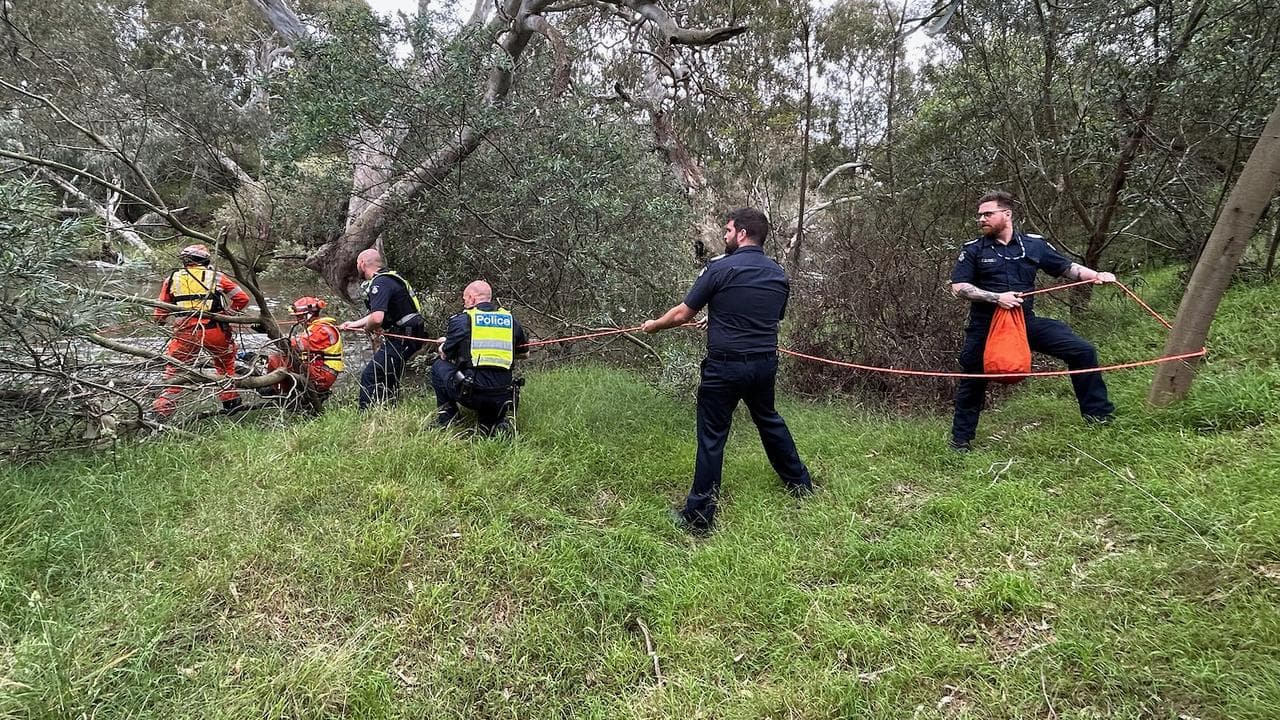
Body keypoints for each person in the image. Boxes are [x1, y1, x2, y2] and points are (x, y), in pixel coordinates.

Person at [642, 208, 813, 535]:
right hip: (764, 364)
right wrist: (719, 317)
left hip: (725, 366)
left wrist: (654, 326)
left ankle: (699, 516)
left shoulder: (720, 268)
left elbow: (681, 314)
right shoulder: (778, 274)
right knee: (768, 419)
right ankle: (800, 483)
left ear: (743, 233)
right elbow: (766, 316)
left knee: (712, 436)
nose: (724, 235)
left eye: (728, 230)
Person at [948, 190, 1117, 451]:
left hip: (1024, 322)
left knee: (1082, 351)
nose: (981, 219)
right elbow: (959, 287)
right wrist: (996, 297)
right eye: (980, 215)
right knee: (972, 381)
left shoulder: (1033, 245)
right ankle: (960, 443)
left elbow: (1067, 268)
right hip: (986, 327)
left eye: (988, 214)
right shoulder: (973, 250)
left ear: (1007, 214)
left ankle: (1099, 419)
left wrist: (1097, 275)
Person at [151, 244, 251, 418]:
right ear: (205, 260)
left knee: (175, 371)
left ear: (185, 261)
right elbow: (242, 298)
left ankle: (162, 410)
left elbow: (160, 311)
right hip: (215, 330)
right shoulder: (216, 277)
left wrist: (159, 321)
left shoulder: (172, 279)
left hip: (185, 333)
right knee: (225, 366)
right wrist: (228, 314)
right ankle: (231, 405)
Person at [431, 280, 529, 436]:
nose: (464, 304)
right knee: (488, 427)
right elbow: (524, 353)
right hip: (502, 394)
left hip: (472, 393)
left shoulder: (462, 320)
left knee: (438, 366)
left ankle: (448, 419)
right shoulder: (511, 320)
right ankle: (495, 421)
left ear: (471, 298)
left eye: (464, 299)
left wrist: (443, 344)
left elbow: (446, 354)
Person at [339, 249, 427, 410]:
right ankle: (390, 410)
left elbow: (377, 318)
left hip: (403, 337)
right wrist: (354, 324)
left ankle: (365, 416)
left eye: (358, 264)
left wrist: (369, 328)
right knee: (389, 375)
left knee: (370, 376)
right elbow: (376, 315)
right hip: (407, 333)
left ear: (363, 263)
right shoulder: (390, 279)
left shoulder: (379, 283)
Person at [261, 296, 344, 406]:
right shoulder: (315, 328)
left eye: (299, 317)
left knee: (276, 360)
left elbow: (294, 345)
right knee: (282, 359)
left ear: (308, 315)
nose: (298, 320)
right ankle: (280, 390)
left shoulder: (321, 330)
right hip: (316, 370)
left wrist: (270, 332)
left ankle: (282, 394)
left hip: (322, 374)